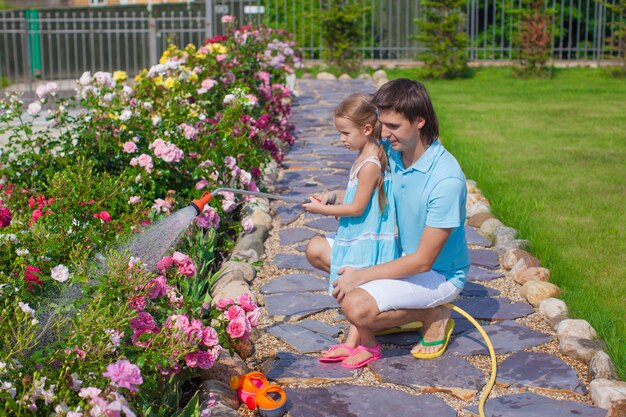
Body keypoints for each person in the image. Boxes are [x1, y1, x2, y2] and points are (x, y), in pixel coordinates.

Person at [306, 78, 470, 364]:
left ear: (420, 121)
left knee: (355, 305)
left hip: (439, 273)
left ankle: (434, 314)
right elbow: (368, 193)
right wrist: (336, 196)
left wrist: (361, 276)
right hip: (397, 252)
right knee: (316, 248)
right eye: (384, 124)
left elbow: (422, 262)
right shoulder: (395, 153)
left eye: (394, 127)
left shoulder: (445, 180)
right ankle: (387, 312)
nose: (384, 133)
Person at [302, 93, 398, 368]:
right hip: (356, 234)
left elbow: (357, 208)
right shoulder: (363, 154)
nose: (341, 139)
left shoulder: (370, 163)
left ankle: (370, 346)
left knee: (347, 290)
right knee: (345, 287)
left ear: (366, 130)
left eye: (345, 133)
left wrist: (323, 211)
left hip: (364, 238)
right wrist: (334, 196)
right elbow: (358, 196)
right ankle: (352, 341)